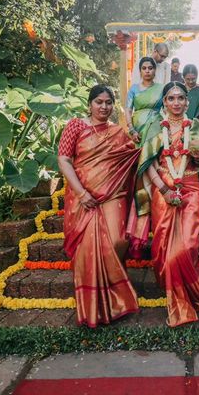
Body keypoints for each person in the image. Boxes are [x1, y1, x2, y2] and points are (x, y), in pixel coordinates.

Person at [135, 82, 199, 327]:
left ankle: (187, 299)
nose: (176, 103)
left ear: (187, 101)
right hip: (162, 187)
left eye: (180, 98)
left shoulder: (196, 127)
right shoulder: (153, 127)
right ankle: (178, 297)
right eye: (171, 98)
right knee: (163, 245)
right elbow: (146, 162)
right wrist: (163, 190)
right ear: (164, 102)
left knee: (189, 243)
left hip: (191, 187)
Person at [58, 85, 140, 327]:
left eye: (108, 102)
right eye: (99, 102)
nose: (103, 107)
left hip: (113, 194)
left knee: (117, 240)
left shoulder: (117, 132)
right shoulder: (76, 125)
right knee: (87, 250)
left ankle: (115, 299)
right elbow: (63, 159)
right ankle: (95, 307)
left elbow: (130, 159)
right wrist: (82, 193)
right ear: (90, 103)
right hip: (83, 197)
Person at [125, 56, 163, 145]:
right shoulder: (134, 89)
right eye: (144, 68)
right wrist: (131, 130)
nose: (147, 71)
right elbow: (128, 110)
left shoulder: (161, 88)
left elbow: (167, 109)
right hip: (137, 130)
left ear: (155, 71)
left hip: (156, 128)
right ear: (140, 71)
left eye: (150, 68)